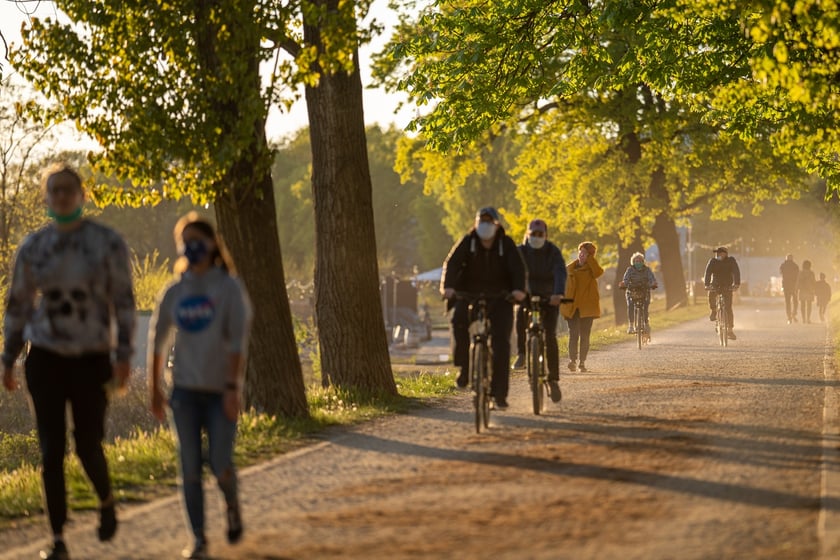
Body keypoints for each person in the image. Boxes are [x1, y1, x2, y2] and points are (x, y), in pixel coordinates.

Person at [1, 163, 136, 560]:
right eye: (54, 190)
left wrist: (123, 355)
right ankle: (58, 538)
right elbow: (18, 304)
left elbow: (124, 302)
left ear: (82, 196)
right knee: (50, 450)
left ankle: (106, 501)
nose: (61, 196)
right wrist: (8, 357)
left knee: (88, 444)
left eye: (68, 189)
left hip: (92, 358)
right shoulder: (33, 246)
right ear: (46, 197)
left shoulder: (106, 242)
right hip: (44, 358)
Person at [148, 214, 253, 560]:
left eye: (197, 240)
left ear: (212, 244)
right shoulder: (175, 292)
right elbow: (158, 341)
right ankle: (199, 540)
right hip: (184, 393)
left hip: (220, 390)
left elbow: (237, 343)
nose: (191, 247)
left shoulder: (228, 288)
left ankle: (232, 504)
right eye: (185, 241)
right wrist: (154, 387)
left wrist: (233, 388)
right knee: (189, 467)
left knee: (220, 462)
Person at [440, 207, 526, 410]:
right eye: (482, 221)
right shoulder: (468, 241)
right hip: (469, 293)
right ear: (476, 223)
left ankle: (499, 394)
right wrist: (447, 287)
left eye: (489, 221)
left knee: (501, 343)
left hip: (501, 297)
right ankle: (465, 368)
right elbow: (452, 264)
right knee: (458, 321)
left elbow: (518, 268)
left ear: (497, 224)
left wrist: (518, 290)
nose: (485, 225)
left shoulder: (506, 243)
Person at [512, 219, 567, 402]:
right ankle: (521, 353)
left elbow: (560, 272)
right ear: (527, 234)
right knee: (520, 316)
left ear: (545, 235)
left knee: (550, 336)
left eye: (540, 234)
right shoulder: (519, 252)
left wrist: (558, 293)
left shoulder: (553, 251)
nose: (536, 237)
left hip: (549, 297)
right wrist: (515, 291)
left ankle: (553, 379)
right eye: (533, 234)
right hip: (526, 295)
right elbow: (512, 272)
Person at [560, 242, 604, 373]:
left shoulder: (592, 270)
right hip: (572, 307)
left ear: (590, 256)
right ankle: (572, 360)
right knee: (573, 334)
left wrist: (590, 260)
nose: (581, 255)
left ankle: (582, 362)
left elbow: (598, 272)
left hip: (587, 308)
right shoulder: (570, 269)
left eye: (585, 253)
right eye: (580, 252)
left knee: (585, 335)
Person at [704, 246, 741, 340]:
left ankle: (730, 330)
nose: (718, 254)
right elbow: (708, 273)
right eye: (717, 253)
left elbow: (736, 271)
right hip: (715, 284)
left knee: (728, 307)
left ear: (725, 254)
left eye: (720, 253)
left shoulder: (731, 261)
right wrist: (707, 284)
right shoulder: (713, 261)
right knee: (711, 294)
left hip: (727, 286)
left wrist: (736, 284)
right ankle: (713, 311)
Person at [618, 252, 658, 334]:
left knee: (645, 306)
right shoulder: (629, 270)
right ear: (633, 262)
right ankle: (631, 326)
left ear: (643, 262)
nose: (638, 263)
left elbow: (651, 279)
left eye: (640, 261)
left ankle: (646, 323)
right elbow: (626, 279)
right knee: (630, 305)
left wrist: (653, 284)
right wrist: (624, 284)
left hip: (644, 290)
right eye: (636, 261)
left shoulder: (647, 270)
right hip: (632, 290)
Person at [779, 254, 800, 324]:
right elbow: (798, 275)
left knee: (788, 302)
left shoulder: (783, 265)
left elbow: (781, 273)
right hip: (794, 286)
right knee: (795, 301)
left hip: (786, 286)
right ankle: (793, 314)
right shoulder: (795, 266)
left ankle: (789, 317)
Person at [797, 260, 816, 324]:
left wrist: (796, 289)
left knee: (802, 305)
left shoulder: (800, 273)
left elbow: (798, 281)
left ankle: (803, 319)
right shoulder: (811, 273)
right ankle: (808, 318)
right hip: (809, 290)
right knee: (809, 305)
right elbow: (814, 282)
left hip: (802, 290)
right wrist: (814, 289)